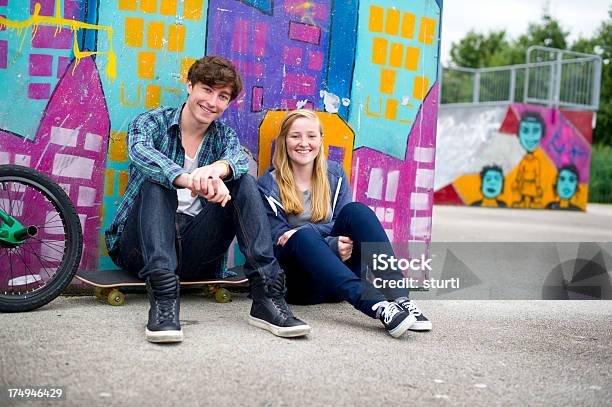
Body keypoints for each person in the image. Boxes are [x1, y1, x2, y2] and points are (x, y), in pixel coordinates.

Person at [105, 56, 310, 343]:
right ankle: (164, 302)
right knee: (157, 182)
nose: (212, 101)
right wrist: (190, 180)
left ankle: (267, 295)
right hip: (140, 249)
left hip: (195, 250)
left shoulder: (223, 136)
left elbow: (238, 159)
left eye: (222, 96)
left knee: (243, 181)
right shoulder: (151, 122)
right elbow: (140, 152)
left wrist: (217, 170)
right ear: (190, 86)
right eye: (207, 89)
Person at [257, 109, 432, 338]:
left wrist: (305, 231)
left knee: (356, 211)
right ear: (284, 141)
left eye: (311, 136)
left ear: (321, 140)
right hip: (300, 286)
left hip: (340, 278)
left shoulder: (335, 174)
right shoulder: (267, 185)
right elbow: (278, 238)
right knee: (302, 238)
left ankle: (400, 299)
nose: (304, 143)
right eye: (295, 136)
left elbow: (342, 220)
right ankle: (379, 307)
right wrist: (327, 243)